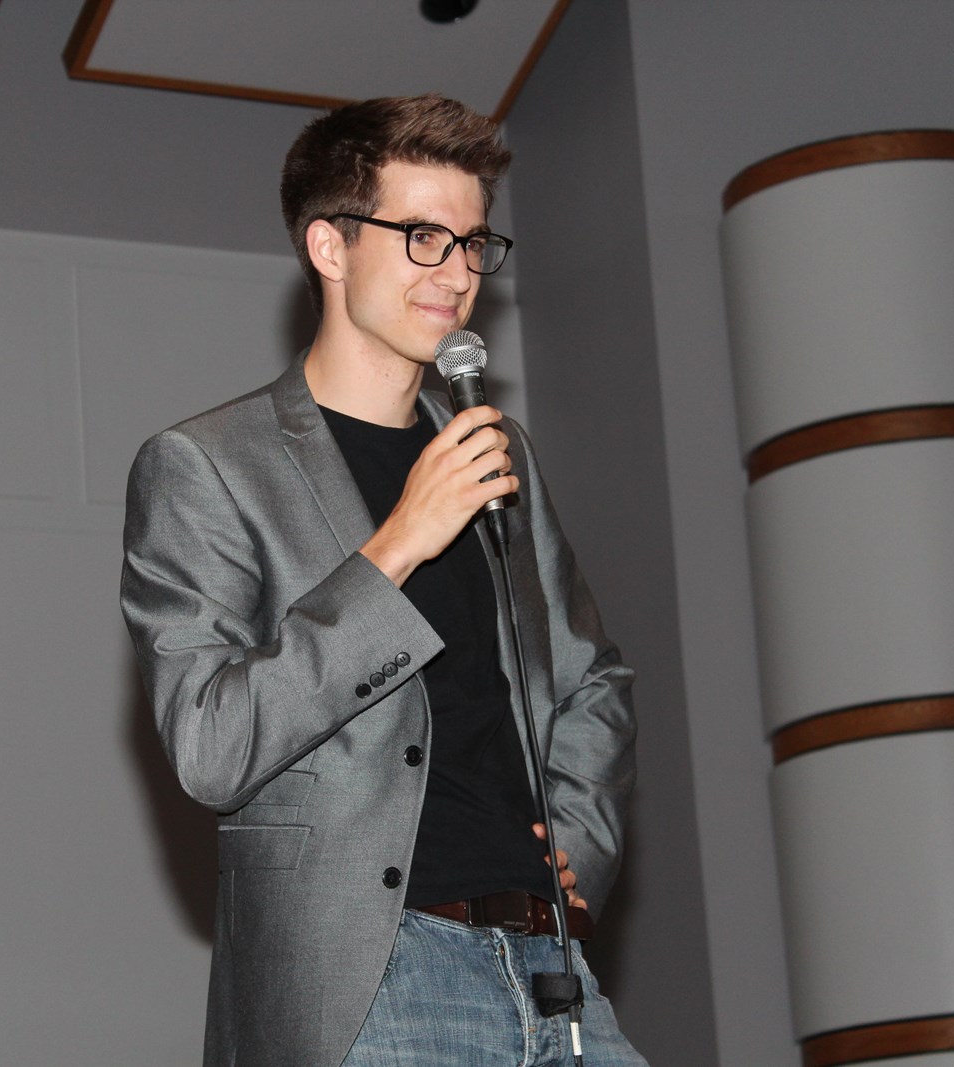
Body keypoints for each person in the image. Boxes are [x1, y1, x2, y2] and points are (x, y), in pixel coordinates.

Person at [121, 93, 644, 1067]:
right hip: (379, 978)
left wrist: (580, 841)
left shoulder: (495, 446)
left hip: (550, 966)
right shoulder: (207, 466)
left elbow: (590, 677)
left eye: (472, 243)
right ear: (330, 245)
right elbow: (210, 744)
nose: (456, 273)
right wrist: (395, 545)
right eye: (422, 238)